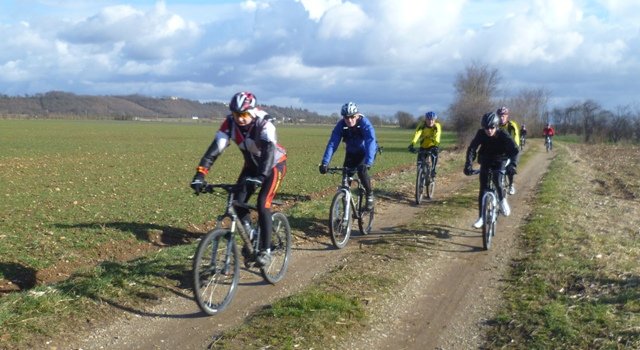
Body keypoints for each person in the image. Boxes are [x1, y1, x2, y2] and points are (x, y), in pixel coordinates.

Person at [190, 91, 287, 267]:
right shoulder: (230, 124)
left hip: (273, 166)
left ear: (252, 111)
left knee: (263, 203)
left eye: (243, 114)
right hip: (251, 166)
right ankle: (251, 236)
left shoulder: (264, 123)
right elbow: (213, 151)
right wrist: (200, 174)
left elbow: (268, 152)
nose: (240, 119)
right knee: (237, 202)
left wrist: (260, 176)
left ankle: (265, 250)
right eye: (236, 114)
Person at [464, 112, 519, 229]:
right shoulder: (481, 134)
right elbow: (472, 149)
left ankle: (502, 201)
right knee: (483, 187)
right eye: (486, 128)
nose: (489, 130)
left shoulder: (503, 134)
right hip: (486, 159)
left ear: (496, 126)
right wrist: (468, 164)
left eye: (492, 127)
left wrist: (512, 165)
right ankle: (481, 218)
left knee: (497, 177)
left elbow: (515, 150)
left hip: (501, 159)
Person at [319, 102, 378, 210]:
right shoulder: (341, 125)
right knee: (345, 178)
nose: (349, 120)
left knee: (361, 171)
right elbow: (333, 143)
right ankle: (345, 209)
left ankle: (369, 194)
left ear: (357, 115)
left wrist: (368, 162)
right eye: (346, 117)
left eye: (352, 117)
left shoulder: (364, 123)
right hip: (351, 153)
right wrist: (325, 162)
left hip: (365, 152)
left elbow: (371, 141)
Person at [408, 111, 442, 178]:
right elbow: (417, 134)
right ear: (426, 119)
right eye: (429, 119)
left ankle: (433, 170)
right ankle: (420, 177)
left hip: (433, 145)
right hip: (423, 146)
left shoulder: (436, 126)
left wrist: (436, 145)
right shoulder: (422, 125)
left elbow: (437, 135)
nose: (430, 121)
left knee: (435, 154)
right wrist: (412, 144)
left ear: (434, 120)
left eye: (432, 120)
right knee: (419, 163)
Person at [496, 106, 520, 195]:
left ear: (507, 116)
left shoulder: (511, 125)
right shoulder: (495, 125)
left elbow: (516, 139)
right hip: (499, 150)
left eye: (503, 115)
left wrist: (514, 149)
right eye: (500, 115)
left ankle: (510, 185)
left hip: (511, 150)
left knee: (510, 168)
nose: (501, 117)